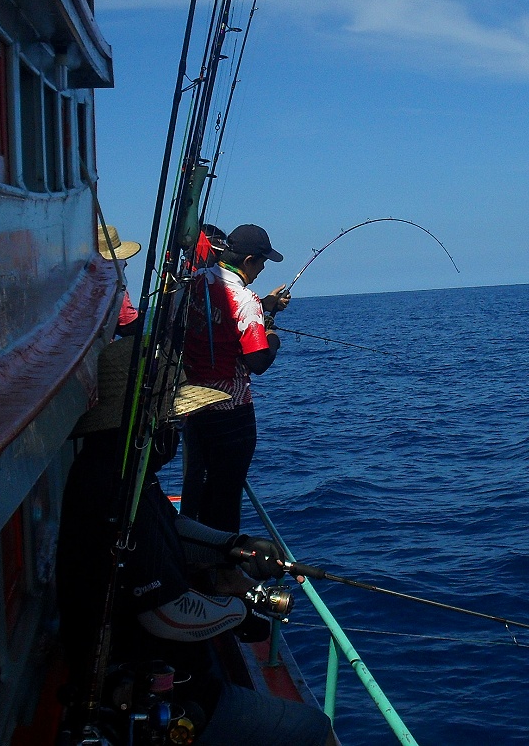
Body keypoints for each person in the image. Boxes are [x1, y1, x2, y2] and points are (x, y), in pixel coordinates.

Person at [55, 425, 334, 746]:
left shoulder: (119, 466)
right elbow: (166, 615)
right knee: (317, 729)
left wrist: (237, 546)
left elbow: (171, 526)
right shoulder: (113, 482)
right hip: (160, 693)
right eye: (170, 422)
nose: (177, 432)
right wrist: (239, 612)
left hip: (162, 675)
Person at [181, 223, 291, 533]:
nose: (262, 269)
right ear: (248, 261)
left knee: (198, 481)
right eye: (261, 262)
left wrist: (266, 307)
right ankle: (221, 569)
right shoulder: (245, 301)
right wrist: (273, 337)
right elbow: (258, 361)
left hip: (193, 404)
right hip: (231, 414)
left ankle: (191, 548)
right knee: (226, 494)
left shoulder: (195, 281)